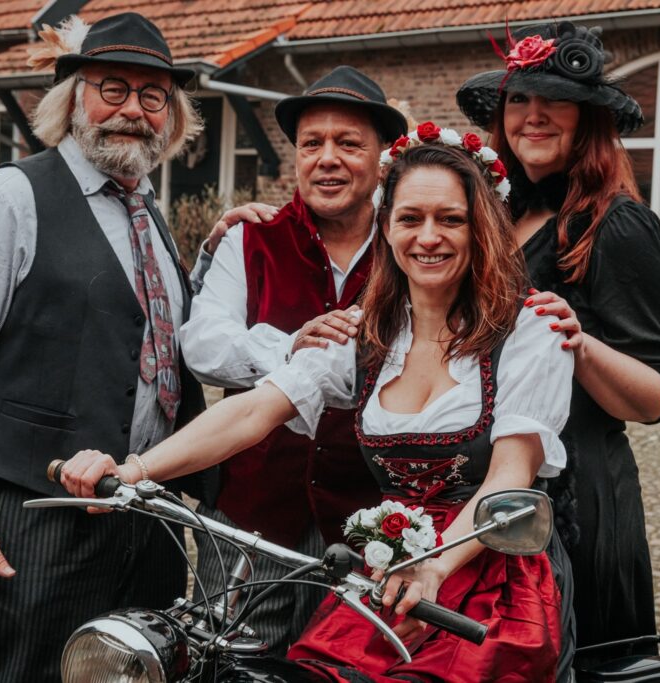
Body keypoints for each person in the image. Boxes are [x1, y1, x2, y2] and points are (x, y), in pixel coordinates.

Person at [61, 127, 574, 682]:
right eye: (410, 218)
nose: (428, 237)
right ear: (386, 227)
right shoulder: (367, 332)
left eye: (451, 219)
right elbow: (254, 411)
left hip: (487, 576)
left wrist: (433, 566)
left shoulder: (528, 327)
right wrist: (133, 471)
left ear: (482, 229)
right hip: (391, 576)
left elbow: (509, 477)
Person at [0, 13, 207, 680]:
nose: (133, 110)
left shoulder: (150, 212)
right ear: (73, 99)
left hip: (147, 515)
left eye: (152, 96)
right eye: (112, 88)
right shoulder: (12, 198)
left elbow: (155, 340)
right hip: (42, 516)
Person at [456, 21, 660, 647]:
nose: (533, 115)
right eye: (519, 100)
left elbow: (657, 397)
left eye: (555, 99)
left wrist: (580, 345)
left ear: (588, 118)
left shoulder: (619, 226)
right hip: (488, 487)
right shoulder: (495, 217)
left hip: (576, 501)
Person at [177, 65, 407, 652]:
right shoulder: (249, 238)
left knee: (348, 662)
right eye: (311, 144)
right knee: (227, 660)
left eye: (348, 143)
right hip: (252, 513)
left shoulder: (413, 244)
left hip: (371, 522)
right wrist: (286, 346)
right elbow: (202, 345)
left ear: (383, 158)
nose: (327, 159)